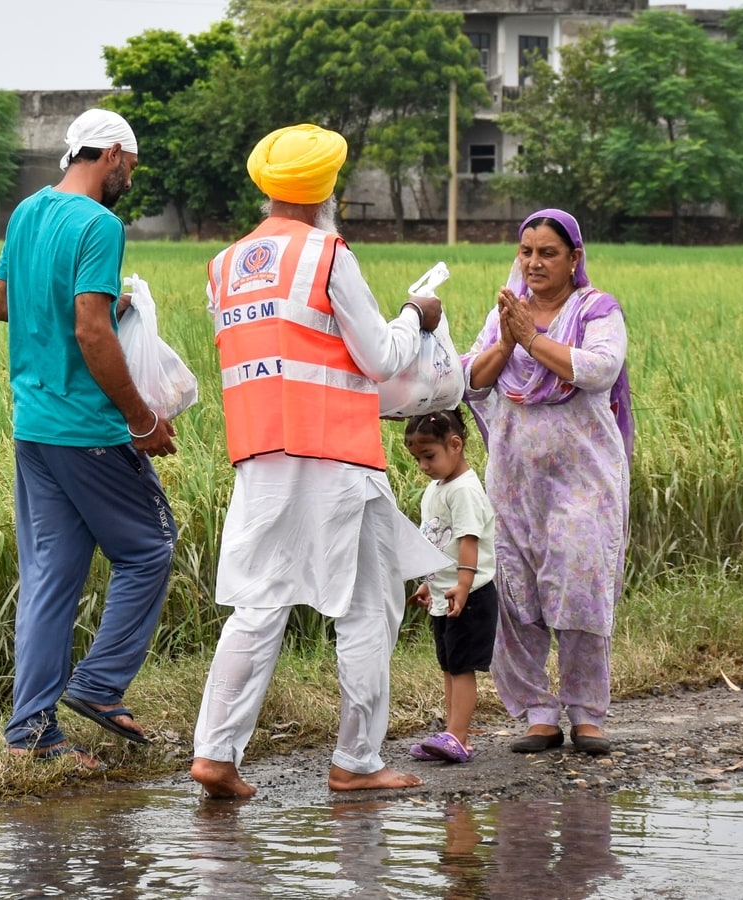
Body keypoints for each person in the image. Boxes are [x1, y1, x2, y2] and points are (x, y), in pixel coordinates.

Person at [190, 123, 448, 798]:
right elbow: (380, 357)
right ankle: (357, 762)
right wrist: (416, 315)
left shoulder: (223, 267)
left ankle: (216, 754)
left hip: (260, 455)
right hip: (335, 457)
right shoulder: (327, 254)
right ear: (328, 189)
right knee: (368, 608)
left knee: (258, 604)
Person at [0, 108, 179, 770]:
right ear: (113, 156)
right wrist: (142, 420)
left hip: (33, 428)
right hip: (87, 429)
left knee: (52, 575)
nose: (131, 175)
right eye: (132, 163)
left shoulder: (27, 213)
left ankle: (31, 731)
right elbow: (92, 333)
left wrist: (90, 302)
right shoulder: (100, 224)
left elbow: (1, 303)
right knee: (151, 546)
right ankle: (98, 685)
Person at [462, 208, 633, 757]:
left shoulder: (595, 310)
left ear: (574, 259)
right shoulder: (506, 316)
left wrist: (532, 339)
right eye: (527, 251)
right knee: (516, 593)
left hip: (583, 481)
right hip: (513, 481)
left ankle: (586, 713)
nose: (534, 263)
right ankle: (537, 713)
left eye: (548, 253)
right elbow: (472, 378)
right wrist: (510, 341)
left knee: (580, 585)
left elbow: (598, 369)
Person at [402, 408, 499, 764]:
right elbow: (439, 541)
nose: (424, 466)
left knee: (461, 667)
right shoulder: (436, 489)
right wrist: (429, 583)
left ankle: (458, 736)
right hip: (446, 594)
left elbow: (469, 540)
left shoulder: (465, 490)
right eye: (418, 459)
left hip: (469, 595)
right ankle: (451, 733)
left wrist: (462, 584)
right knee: (448, 664)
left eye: (429, 456)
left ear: (455, 445)